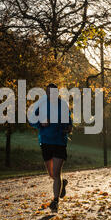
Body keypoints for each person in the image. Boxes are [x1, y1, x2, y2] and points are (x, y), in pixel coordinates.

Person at [30, 83, 72, 213]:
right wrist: (40, 123)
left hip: (59, 142)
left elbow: (69, 123)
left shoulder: (63, 105)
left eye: (54, 93)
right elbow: (31, 120)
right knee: (52, 174)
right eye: (48, 93)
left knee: (57, 172)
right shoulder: (41, 105)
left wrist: (68, 128)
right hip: (46, 141)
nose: (51, 95)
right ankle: (62, 184)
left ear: (57, 93)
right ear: (46, 94)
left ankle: (55, 201)